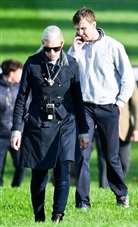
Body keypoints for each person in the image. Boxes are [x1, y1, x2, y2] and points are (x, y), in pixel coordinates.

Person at [10, 25, 89, 223]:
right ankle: (39, 216)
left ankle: (58, 216)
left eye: (55, 48)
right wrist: (16, 130)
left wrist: (84, 132)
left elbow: (78, 100)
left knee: (63, 170)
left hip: (65, 123)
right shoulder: (33, 63)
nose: (51, 53)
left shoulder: (71, 64)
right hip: (38, 123)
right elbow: (21, 98)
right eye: (46, 49)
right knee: (39, 175)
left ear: (62, 44)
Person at [68, 7, 135, 209]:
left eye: (83, 28)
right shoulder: (76, 48)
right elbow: (67, 72)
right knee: (82, 155)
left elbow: (127, 77)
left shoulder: (113, 46)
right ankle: (82, 201)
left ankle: (121, 195)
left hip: (108, 107)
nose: (80, 33)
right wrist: (74, 52)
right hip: (84, 108)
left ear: (93, 24)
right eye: (77, 29)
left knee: (111, 156)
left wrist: (120, 103)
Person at [96, 83, 138, 188]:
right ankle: (105, 188)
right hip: (103, 126)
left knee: (124, 162)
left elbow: (137, 103)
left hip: (123, 129)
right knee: (104, 160)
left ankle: (118, 185)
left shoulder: (127, 77)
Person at [0, 59, 25, 187]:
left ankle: (16, 187)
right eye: (19, 72)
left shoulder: (21, 88)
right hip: (1, 135)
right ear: (11, 72)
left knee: (21, 165)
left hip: (17, 133)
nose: (21, 75)